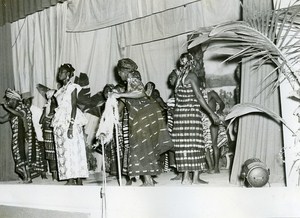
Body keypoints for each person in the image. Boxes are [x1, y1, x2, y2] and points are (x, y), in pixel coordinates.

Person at [109, 58, 173, 186]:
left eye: (119, 72)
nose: (119, 75)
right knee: (143, 146)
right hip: (144, 114)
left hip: (144, 114)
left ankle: (148, 180)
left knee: (141, 146)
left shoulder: (132, 77)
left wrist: (120, 95)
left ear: (124, 71)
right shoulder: (131, 79)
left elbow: (140, 93)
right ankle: (148, 180)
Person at [172, 52, 220, 185]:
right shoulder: (192, 76)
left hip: (180, 116)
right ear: (192, 63)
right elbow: (199, 97)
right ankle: (195, 178)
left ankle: (186, 177)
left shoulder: (178, 78)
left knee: (184, 146)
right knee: (196, 143)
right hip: (191, 115)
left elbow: (177, 100)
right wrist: (211, 113)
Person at [51, 63, 89, 185]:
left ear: (68, 74)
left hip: (70, 120)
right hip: (60, 121)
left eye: (62, 72)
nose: (59, 74)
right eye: (59, 72)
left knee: (74, 148)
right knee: (65, 149)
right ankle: (71, 178)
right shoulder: (60, 90)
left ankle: (77, 178)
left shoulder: (72, 87)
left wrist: (71, 125)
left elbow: (73, 106)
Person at [0, 88, 47, 183]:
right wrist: (8, 109)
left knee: (24, 158)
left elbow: (21, 115)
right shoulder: (14, 111)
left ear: (14, 100)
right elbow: (2, 119)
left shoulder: (23, 108)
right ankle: (27, 178)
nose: (7, 102)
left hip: (26, 138)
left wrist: (6, 107)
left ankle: (27, 177)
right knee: (21, 158)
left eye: (8, 100)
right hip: (18, 138)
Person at [39, 89, 59, 180]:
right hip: (49, 131)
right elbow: (41, 121)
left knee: (55, 152)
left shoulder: (54, 106)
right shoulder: (51, 106)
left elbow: (41, 120)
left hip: (53, 130)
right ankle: (55, 174)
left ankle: (56, 174)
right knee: (52, 152)